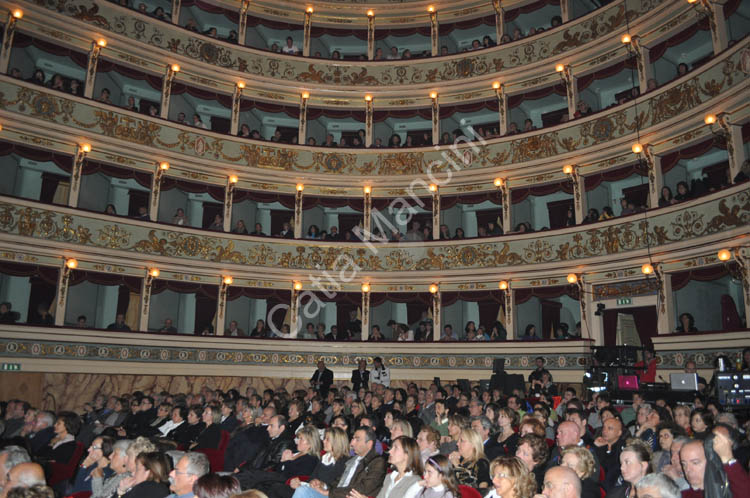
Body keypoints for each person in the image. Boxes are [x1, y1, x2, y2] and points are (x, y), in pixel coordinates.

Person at [291, 426, 386, 498]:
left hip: (341, 496)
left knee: (302, 491)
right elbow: (337, 482)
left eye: (357, 439)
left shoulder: (377, 462)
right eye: (352, 438)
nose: (352, 443)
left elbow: (362, 489)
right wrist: (322, 485)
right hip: (334, 494)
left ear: (369, 444)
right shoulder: (353, 460)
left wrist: (327, 492)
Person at [448, 428, 491, 492]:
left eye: (462, 440)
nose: (457, 444)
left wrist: (457, 466)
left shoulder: (481, 463)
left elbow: (481, 491)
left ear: (473, 444)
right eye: (458, 440)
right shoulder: (458, 459)